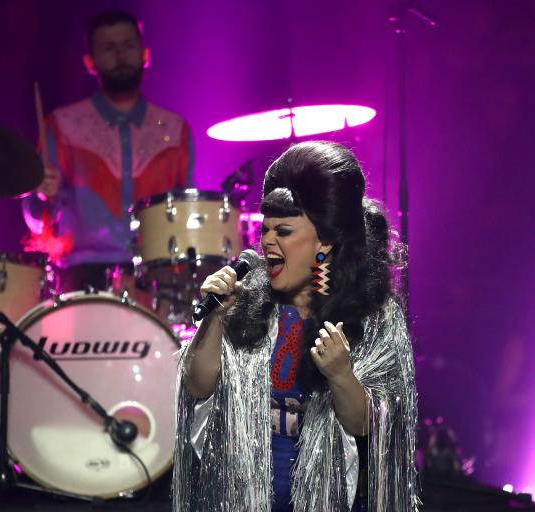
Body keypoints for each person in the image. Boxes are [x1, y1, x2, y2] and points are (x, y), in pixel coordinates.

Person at [172, 141, 419, 511]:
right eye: (266, 229)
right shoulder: (245, 302)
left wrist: (340, 375)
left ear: (325, 241)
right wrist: (215, 318)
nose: (268, 241)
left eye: (284, 231)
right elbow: (197, 385)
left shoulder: (374, 317)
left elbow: (372, 426)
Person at [22, 9, 194, 293]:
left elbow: (190, 213)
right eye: (108, 48)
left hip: (159, 274)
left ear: (145, 54)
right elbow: (38, 224)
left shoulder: (176, 131)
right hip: (82, 274)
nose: (121, 55)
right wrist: (41, 195)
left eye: (129, 45)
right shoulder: (61, 126)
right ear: (90, 61)